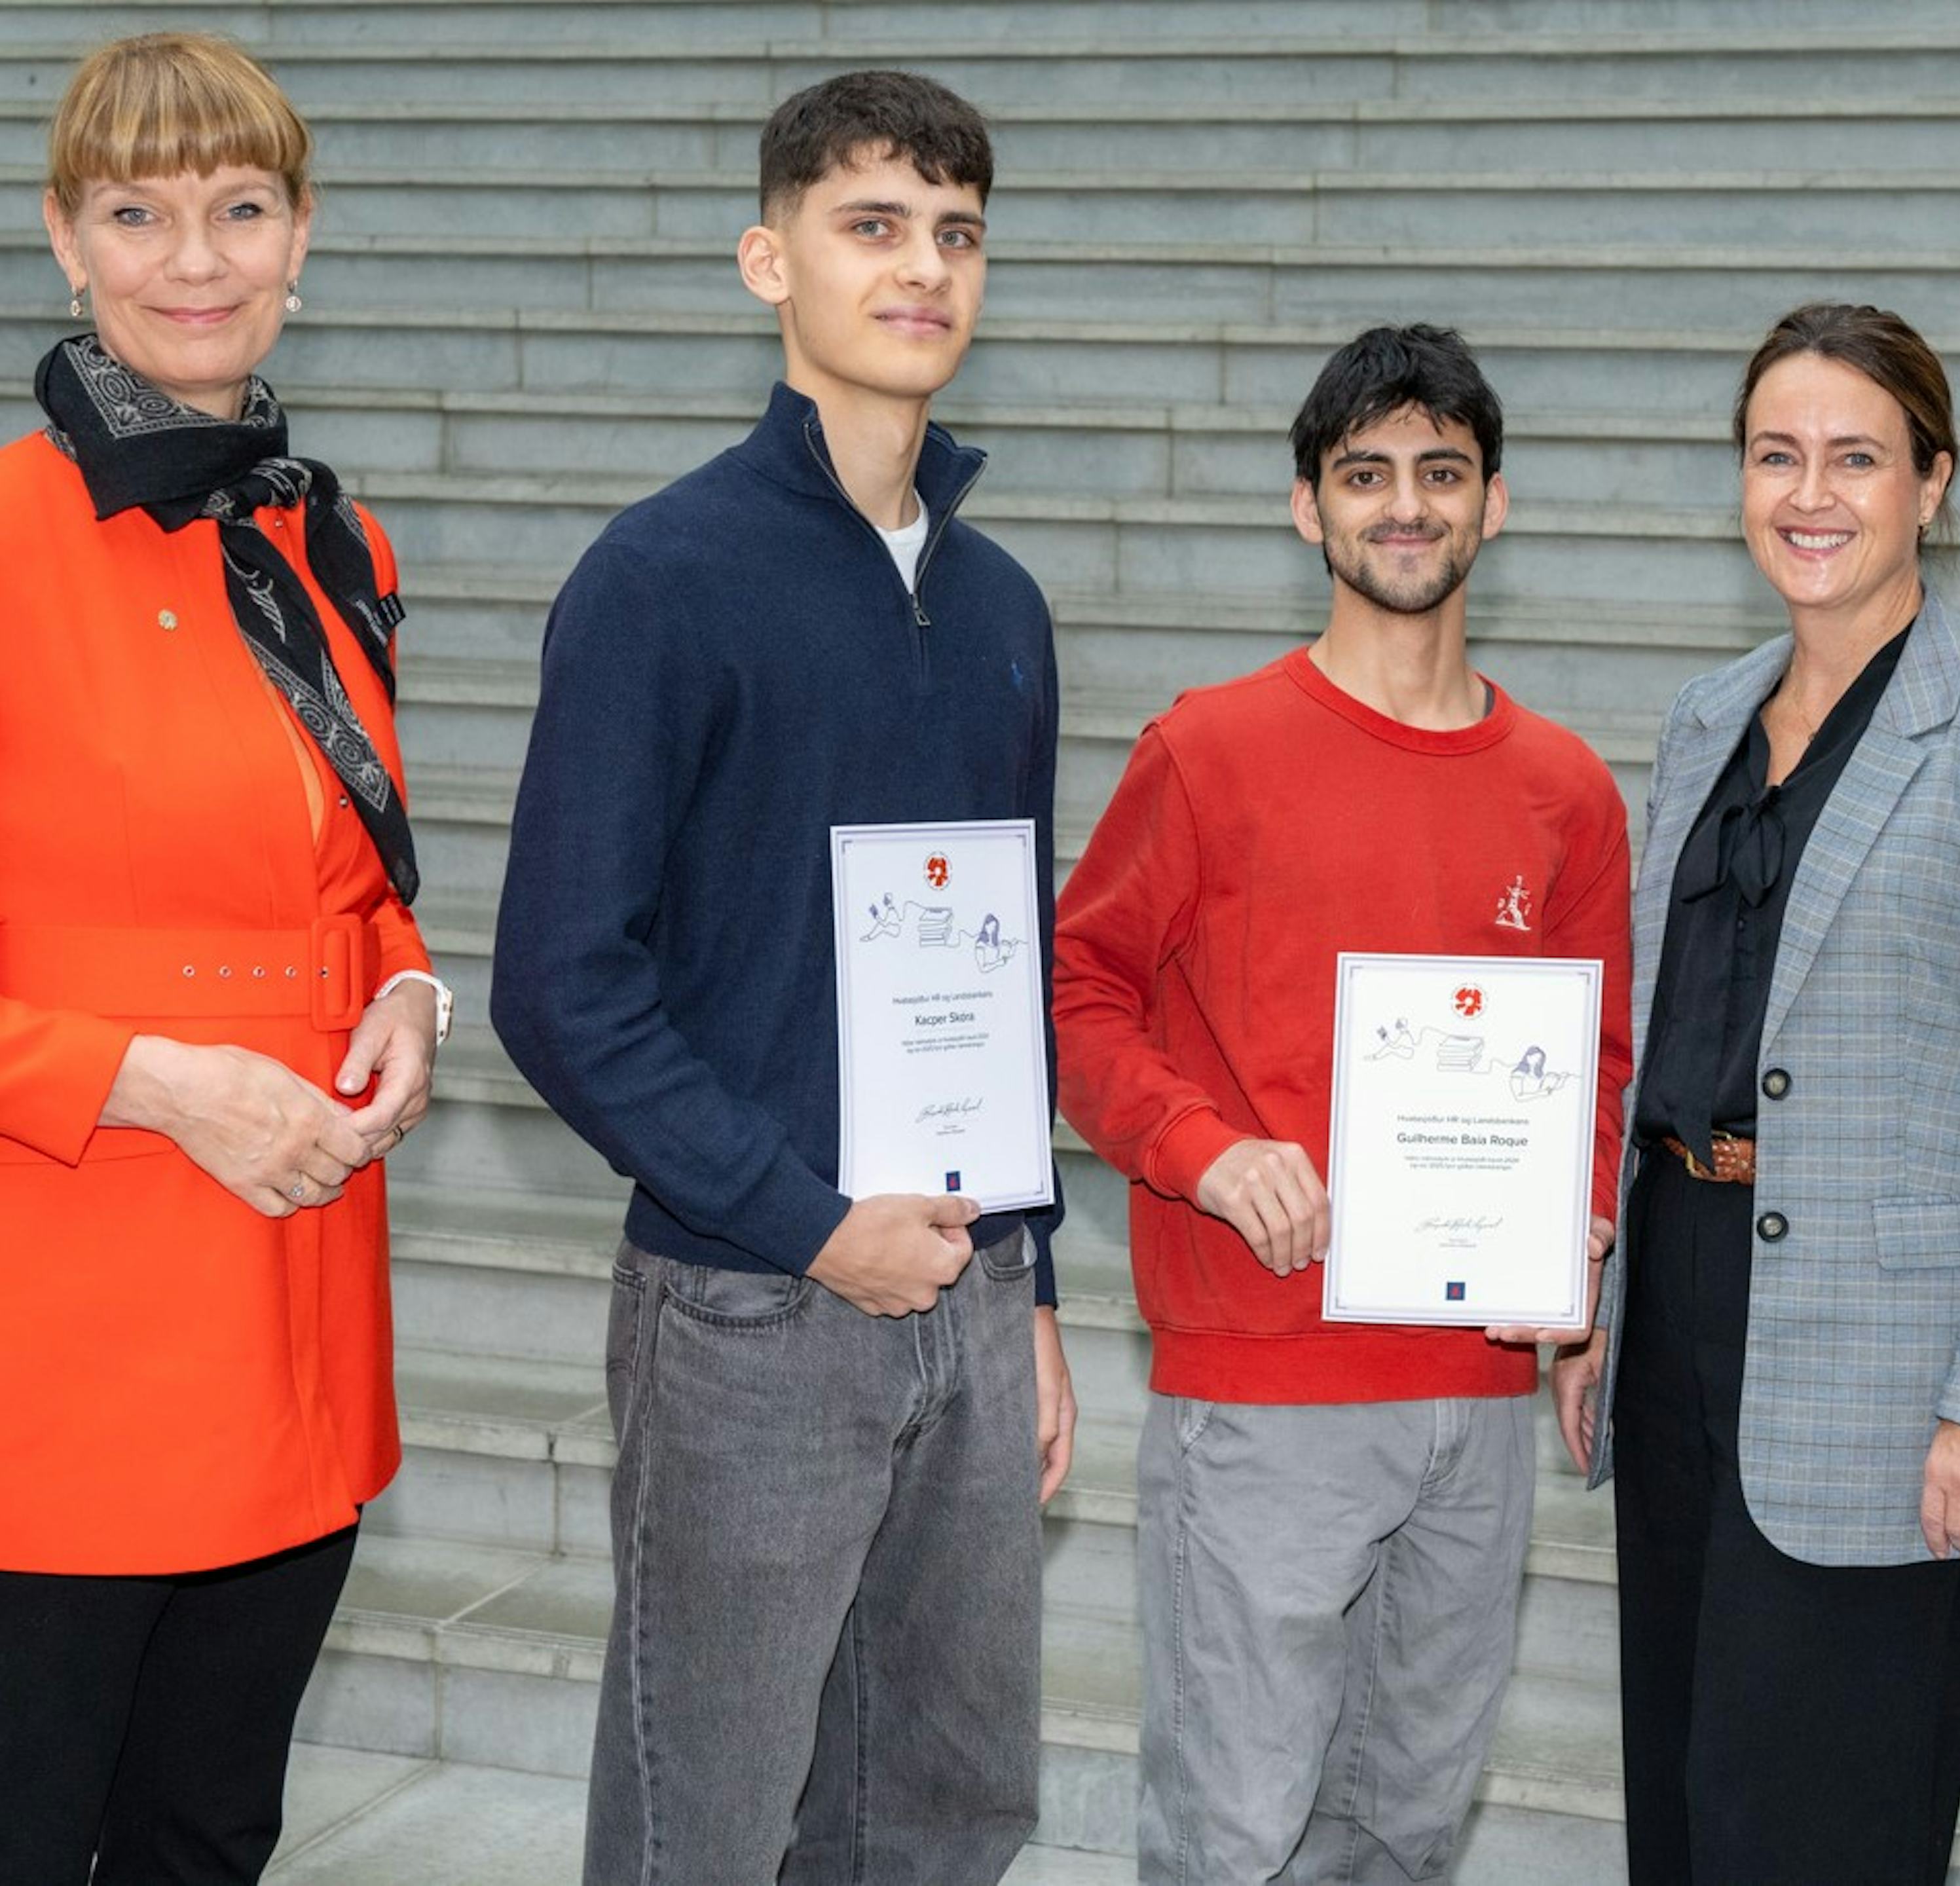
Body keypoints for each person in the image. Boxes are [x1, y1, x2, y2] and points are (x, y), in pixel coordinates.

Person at [490, 69, 1073, 1886]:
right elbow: (559, 983)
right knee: (709, 1827)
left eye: (957, 234)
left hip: (970, 1297)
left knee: (945, 1809)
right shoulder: (661, 578)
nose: (926, 270)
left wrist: (1031, 1276)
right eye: (873, 225)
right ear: (771, 259)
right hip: (750, 1309)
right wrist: (806, 1221)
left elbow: (1009, 971)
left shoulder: (999, 609)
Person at [1555, 302, 1960, 1883]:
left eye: (1857, 458)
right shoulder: (1703, 721)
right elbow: (1668, 1029)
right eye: (1776, 455)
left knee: (1821, 1831)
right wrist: (1597, 1290)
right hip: (1684, 1305)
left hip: (1893, 1379)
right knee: (1682, 1809)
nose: (1810, 494)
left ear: (1934, 484)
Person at [1055, 324, 1633, 1885]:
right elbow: (1076, 996)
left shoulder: (1566, 790)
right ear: (1306, 506)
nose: (1406, 506)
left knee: (1410, 1827)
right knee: (1235, 1834)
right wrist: (1203, 1147)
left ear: (1494, 505)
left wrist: (1577, 1227)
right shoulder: (1208, 754)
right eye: (1366, 474)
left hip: (1476, 1388)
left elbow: (1599, 1061)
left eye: (1441, 474)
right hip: (1266, 1384)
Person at [0, 31, 447, 1884]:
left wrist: (406, 986)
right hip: (66, 1336)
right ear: (64, 241)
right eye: (140, 211)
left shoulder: (331, 539)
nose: (197, 257)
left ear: (304, 238)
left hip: (296, 1315)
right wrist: (156, 1078)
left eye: (240, 208)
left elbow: (345, 879)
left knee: (205, 1835)